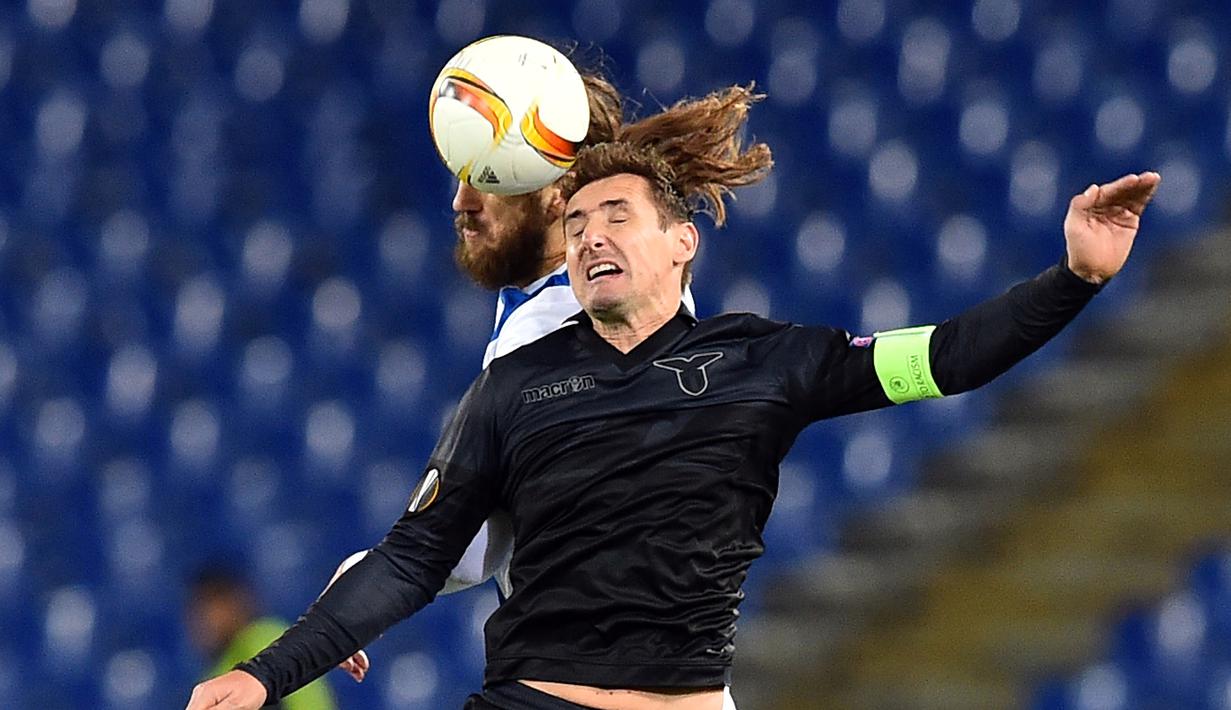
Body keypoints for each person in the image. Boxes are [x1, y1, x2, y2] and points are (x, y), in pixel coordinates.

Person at [185, 136, 1160, 709]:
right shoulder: (511, 387)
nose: (590, 236)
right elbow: (412, 555)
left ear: (682, 242)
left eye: (615, 215)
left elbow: (948, 355)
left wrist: (1072, 277)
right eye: (575, 227)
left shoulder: (768, 360)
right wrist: (266, 676)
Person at [328, 78, 773, 690]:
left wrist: (365, 583)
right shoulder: (616, 290)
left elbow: (474, 541)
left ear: (557, 192)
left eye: (488, 179)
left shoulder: (563, 330)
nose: (461, 201)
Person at [186, 567, 337, 710]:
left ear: (237, 601)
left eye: (216, 605)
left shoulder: (264, 638)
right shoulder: (214, 676)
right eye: (200, 610)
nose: (209, 619)